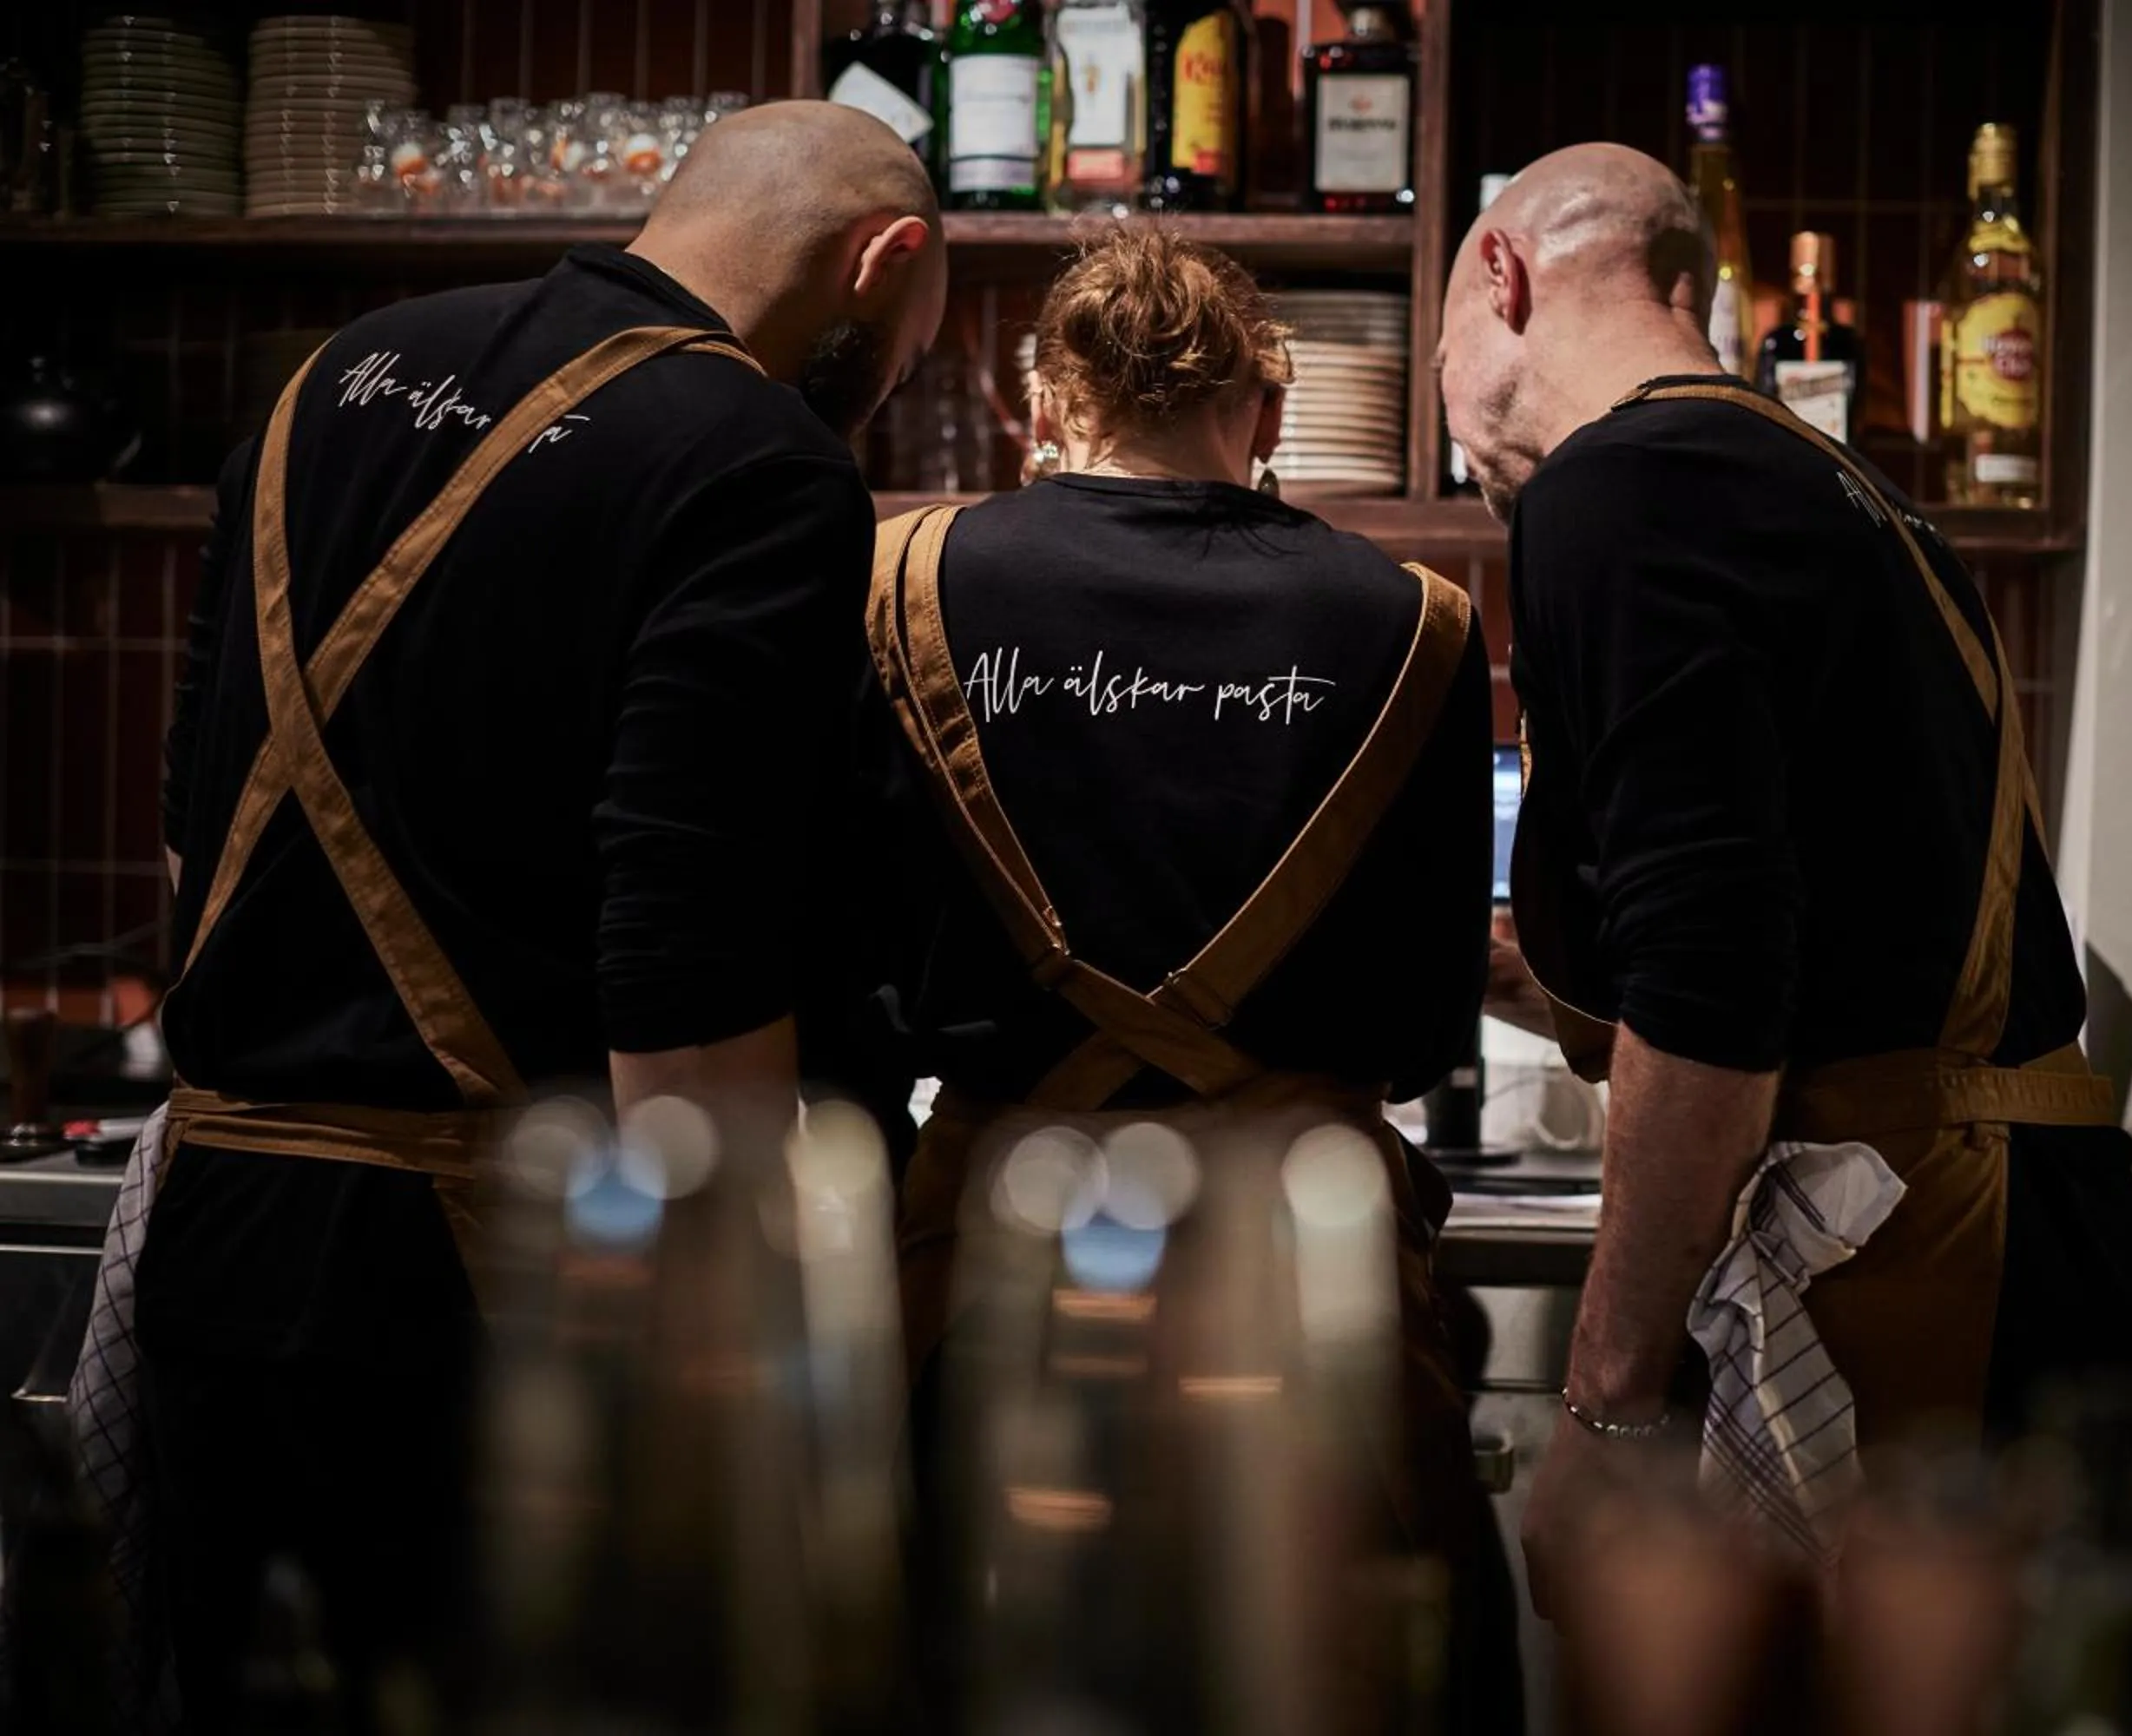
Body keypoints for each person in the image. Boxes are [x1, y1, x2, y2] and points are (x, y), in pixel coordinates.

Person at [135, 102, 944, 1726]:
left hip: (216, 1251)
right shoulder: (756, 458)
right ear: (886, 260)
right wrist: (726, 1373)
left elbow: (185, 828)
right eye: (913, 348)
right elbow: (686, 954)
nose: (899, 382)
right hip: (486, 1302)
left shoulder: (332, 375)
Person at [1435, 144, 2132, 1615]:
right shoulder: (1854, 496)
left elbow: (1718, 987)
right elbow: (1821, 928)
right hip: (2044, 1237)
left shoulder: (1619, 487)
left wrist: (1602, 1411)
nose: (1452, 424)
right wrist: (1510, 972)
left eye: (1442, 348)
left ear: (1502, 280)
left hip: (1919, 1267)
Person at [857, 226, 1511, 1730]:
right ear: (1270, 413)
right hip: (1305, 1272)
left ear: (1048, 408)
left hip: (995, 1264)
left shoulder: (902, 580)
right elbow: (1422, 1023)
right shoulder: (1416, 623)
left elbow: (863, 949)